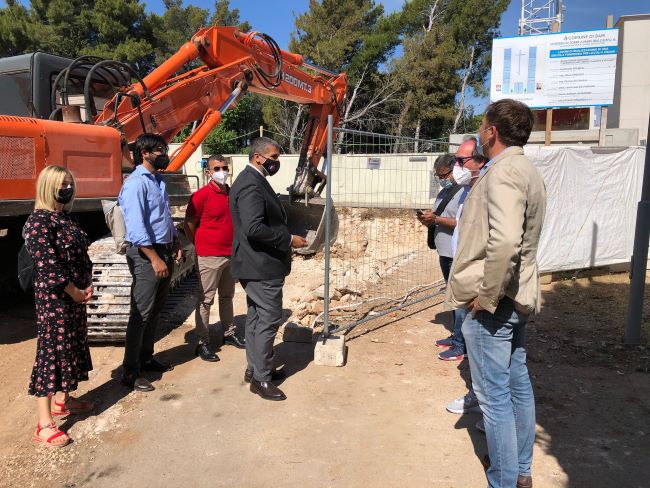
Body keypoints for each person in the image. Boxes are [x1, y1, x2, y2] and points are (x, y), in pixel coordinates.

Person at [448, 99, 546, 488]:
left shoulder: (503, 172)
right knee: (517, 384)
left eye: (482, 125)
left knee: (494, 398)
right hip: (517, 294)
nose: (480, 131)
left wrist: (485, 297)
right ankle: (520, 471)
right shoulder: (527, 169)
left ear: (492, 132)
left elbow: (504, 242)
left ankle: (504, 480)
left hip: (495, 302)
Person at [229, 137, 307, 401]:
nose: (277, 162)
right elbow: (253, 228)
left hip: (253, 263)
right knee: (270, 319)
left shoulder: (250, 180)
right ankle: (261, 378)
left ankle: (254, 368)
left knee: (255, 317)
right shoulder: (251, 184)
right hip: (261, 265)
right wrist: (288, 239)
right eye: (274, 158)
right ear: (258, 157)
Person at [23, 165, 94, 447]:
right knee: (52, 351)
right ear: (47, 187)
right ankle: (44, 423)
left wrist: (83, 287)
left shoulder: (63, 217)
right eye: (61, 184)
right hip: (56, 299)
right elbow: (48, 266)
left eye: (69, 184)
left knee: (72, 345)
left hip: (75, 296)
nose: (66, 189)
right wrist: (74, 291)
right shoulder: (38, 222)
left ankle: (63, 401)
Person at [118, 134, 180, 392]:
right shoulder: (136, 184)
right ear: (144, 153)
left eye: (164, 149)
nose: (163, 153)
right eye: (158, 150)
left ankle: (146, 357)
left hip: (163, 250)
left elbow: (162, 217)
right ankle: (130, 372)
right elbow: (136, 227)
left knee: (155, 309)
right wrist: (154, 258)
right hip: (147, 254)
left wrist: (175, 241)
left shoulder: (157, 181)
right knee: (141, 313)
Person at [185, 154, 243, 362]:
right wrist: (199, 245)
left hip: (230, 254)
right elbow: (189, 223)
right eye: (216, 168)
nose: (221, 172)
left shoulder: (232, 193)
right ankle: (203, 342)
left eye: (224, 167)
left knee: (227, 297)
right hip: (209, 256)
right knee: (205, 300)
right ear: (208, 172)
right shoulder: (200, 196)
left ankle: (229, 334)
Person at [418, 153, 462, 283]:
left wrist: (436, 219)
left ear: (455, 170)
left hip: (456, 254)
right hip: (444, 252)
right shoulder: (443, 192)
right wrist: (427, 219)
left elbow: (465, 222)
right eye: (438, 176)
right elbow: (439, 215)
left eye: (444, 175)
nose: (442, 179)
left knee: (458, 295)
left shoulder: (465, 192)